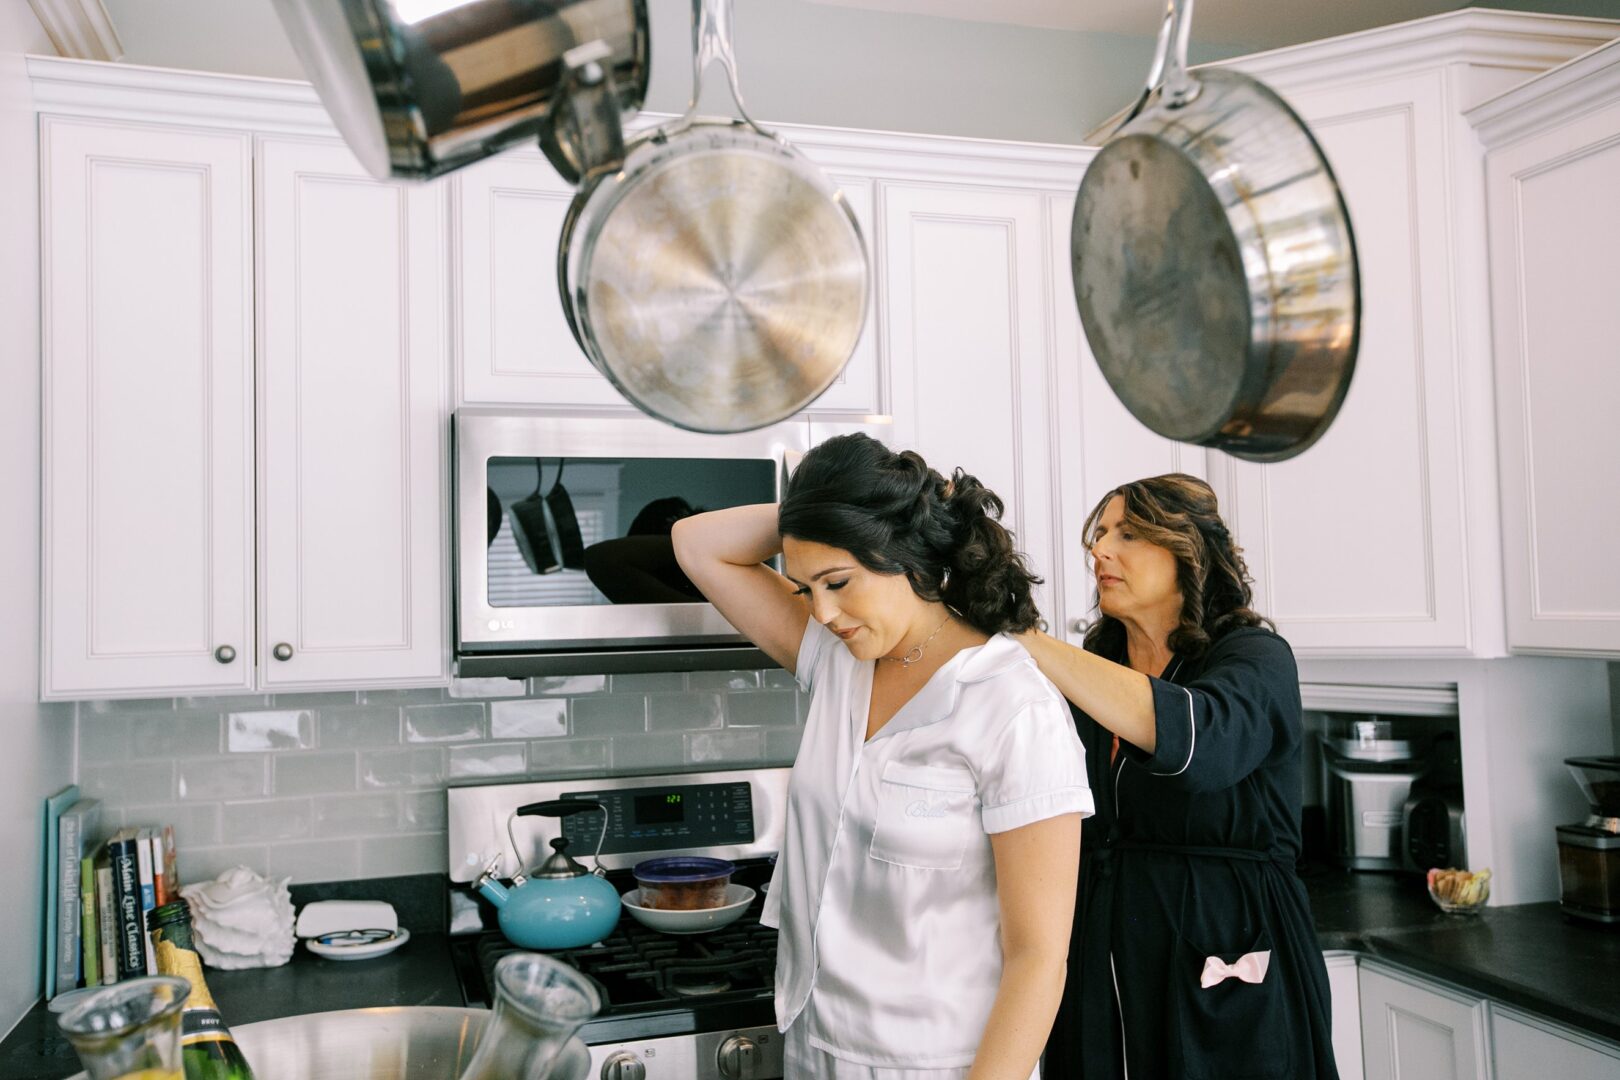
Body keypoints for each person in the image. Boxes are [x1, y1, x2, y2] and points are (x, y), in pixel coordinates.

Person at [671, 433, 1092, 1080]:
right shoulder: (841, 660)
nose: (823, 611)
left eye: (838, 582)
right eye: (806, 588)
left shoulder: (1013, 708)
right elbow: (696, 545)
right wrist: (820, 513)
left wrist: (910, 512)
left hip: (943, 1065)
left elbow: (1039, 958)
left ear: (911, 557)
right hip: (816, 1049)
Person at [1027, 474, 1338, 1079]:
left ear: (1188, 552)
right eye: (1100, 534)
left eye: (1129, 534)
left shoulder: (1253, 656)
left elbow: (1203, 745)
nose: (1100, 550)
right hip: (1102, 949)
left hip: (1224, 944)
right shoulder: (1097, 667)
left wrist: (1025, 637)